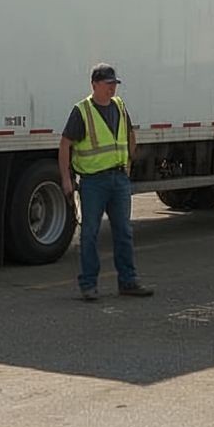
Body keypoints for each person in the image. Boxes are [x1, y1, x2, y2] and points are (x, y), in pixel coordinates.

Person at [58, 63, 152, 301]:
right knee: (89, 233)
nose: (112, 89)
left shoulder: (119, 106)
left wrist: (128, 162)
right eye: (108, 84)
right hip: (93, 182)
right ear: (95, 85)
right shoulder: (83, 111)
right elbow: (65, 144)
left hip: (118, 178)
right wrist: (67, 180)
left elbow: (129, 134)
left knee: (124, 232)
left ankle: (128, 281)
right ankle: (89, 285)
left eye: (114, 84)